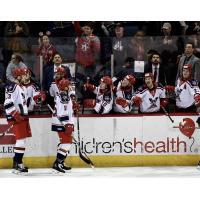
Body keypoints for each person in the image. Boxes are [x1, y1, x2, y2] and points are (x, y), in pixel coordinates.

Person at [4, 67, 45, 173]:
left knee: (23, 141)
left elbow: (26, 102)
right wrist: (14, 114)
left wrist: (38, 98)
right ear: (18, 76)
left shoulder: (20, 87)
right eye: (24, 74)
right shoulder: (13, 87)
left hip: (23, 117)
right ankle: (17, 163)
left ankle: (18, 162)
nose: (26, 76)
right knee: (21, 141)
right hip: (18, 117)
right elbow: (7, 102)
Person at [51, 79, 80, 173]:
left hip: (62, 122)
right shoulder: (64, 96)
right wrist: (67, 124)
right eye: (69, 85)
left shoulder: (64, 95)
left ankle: (60, 162)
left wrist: (73, 107)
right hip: (62, 123)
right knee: (66, 143)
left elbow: (66, 109)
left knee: (67, 143)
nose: (71, 87)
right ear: (66, 87)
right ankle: (57, 163)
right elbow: (62, 112)